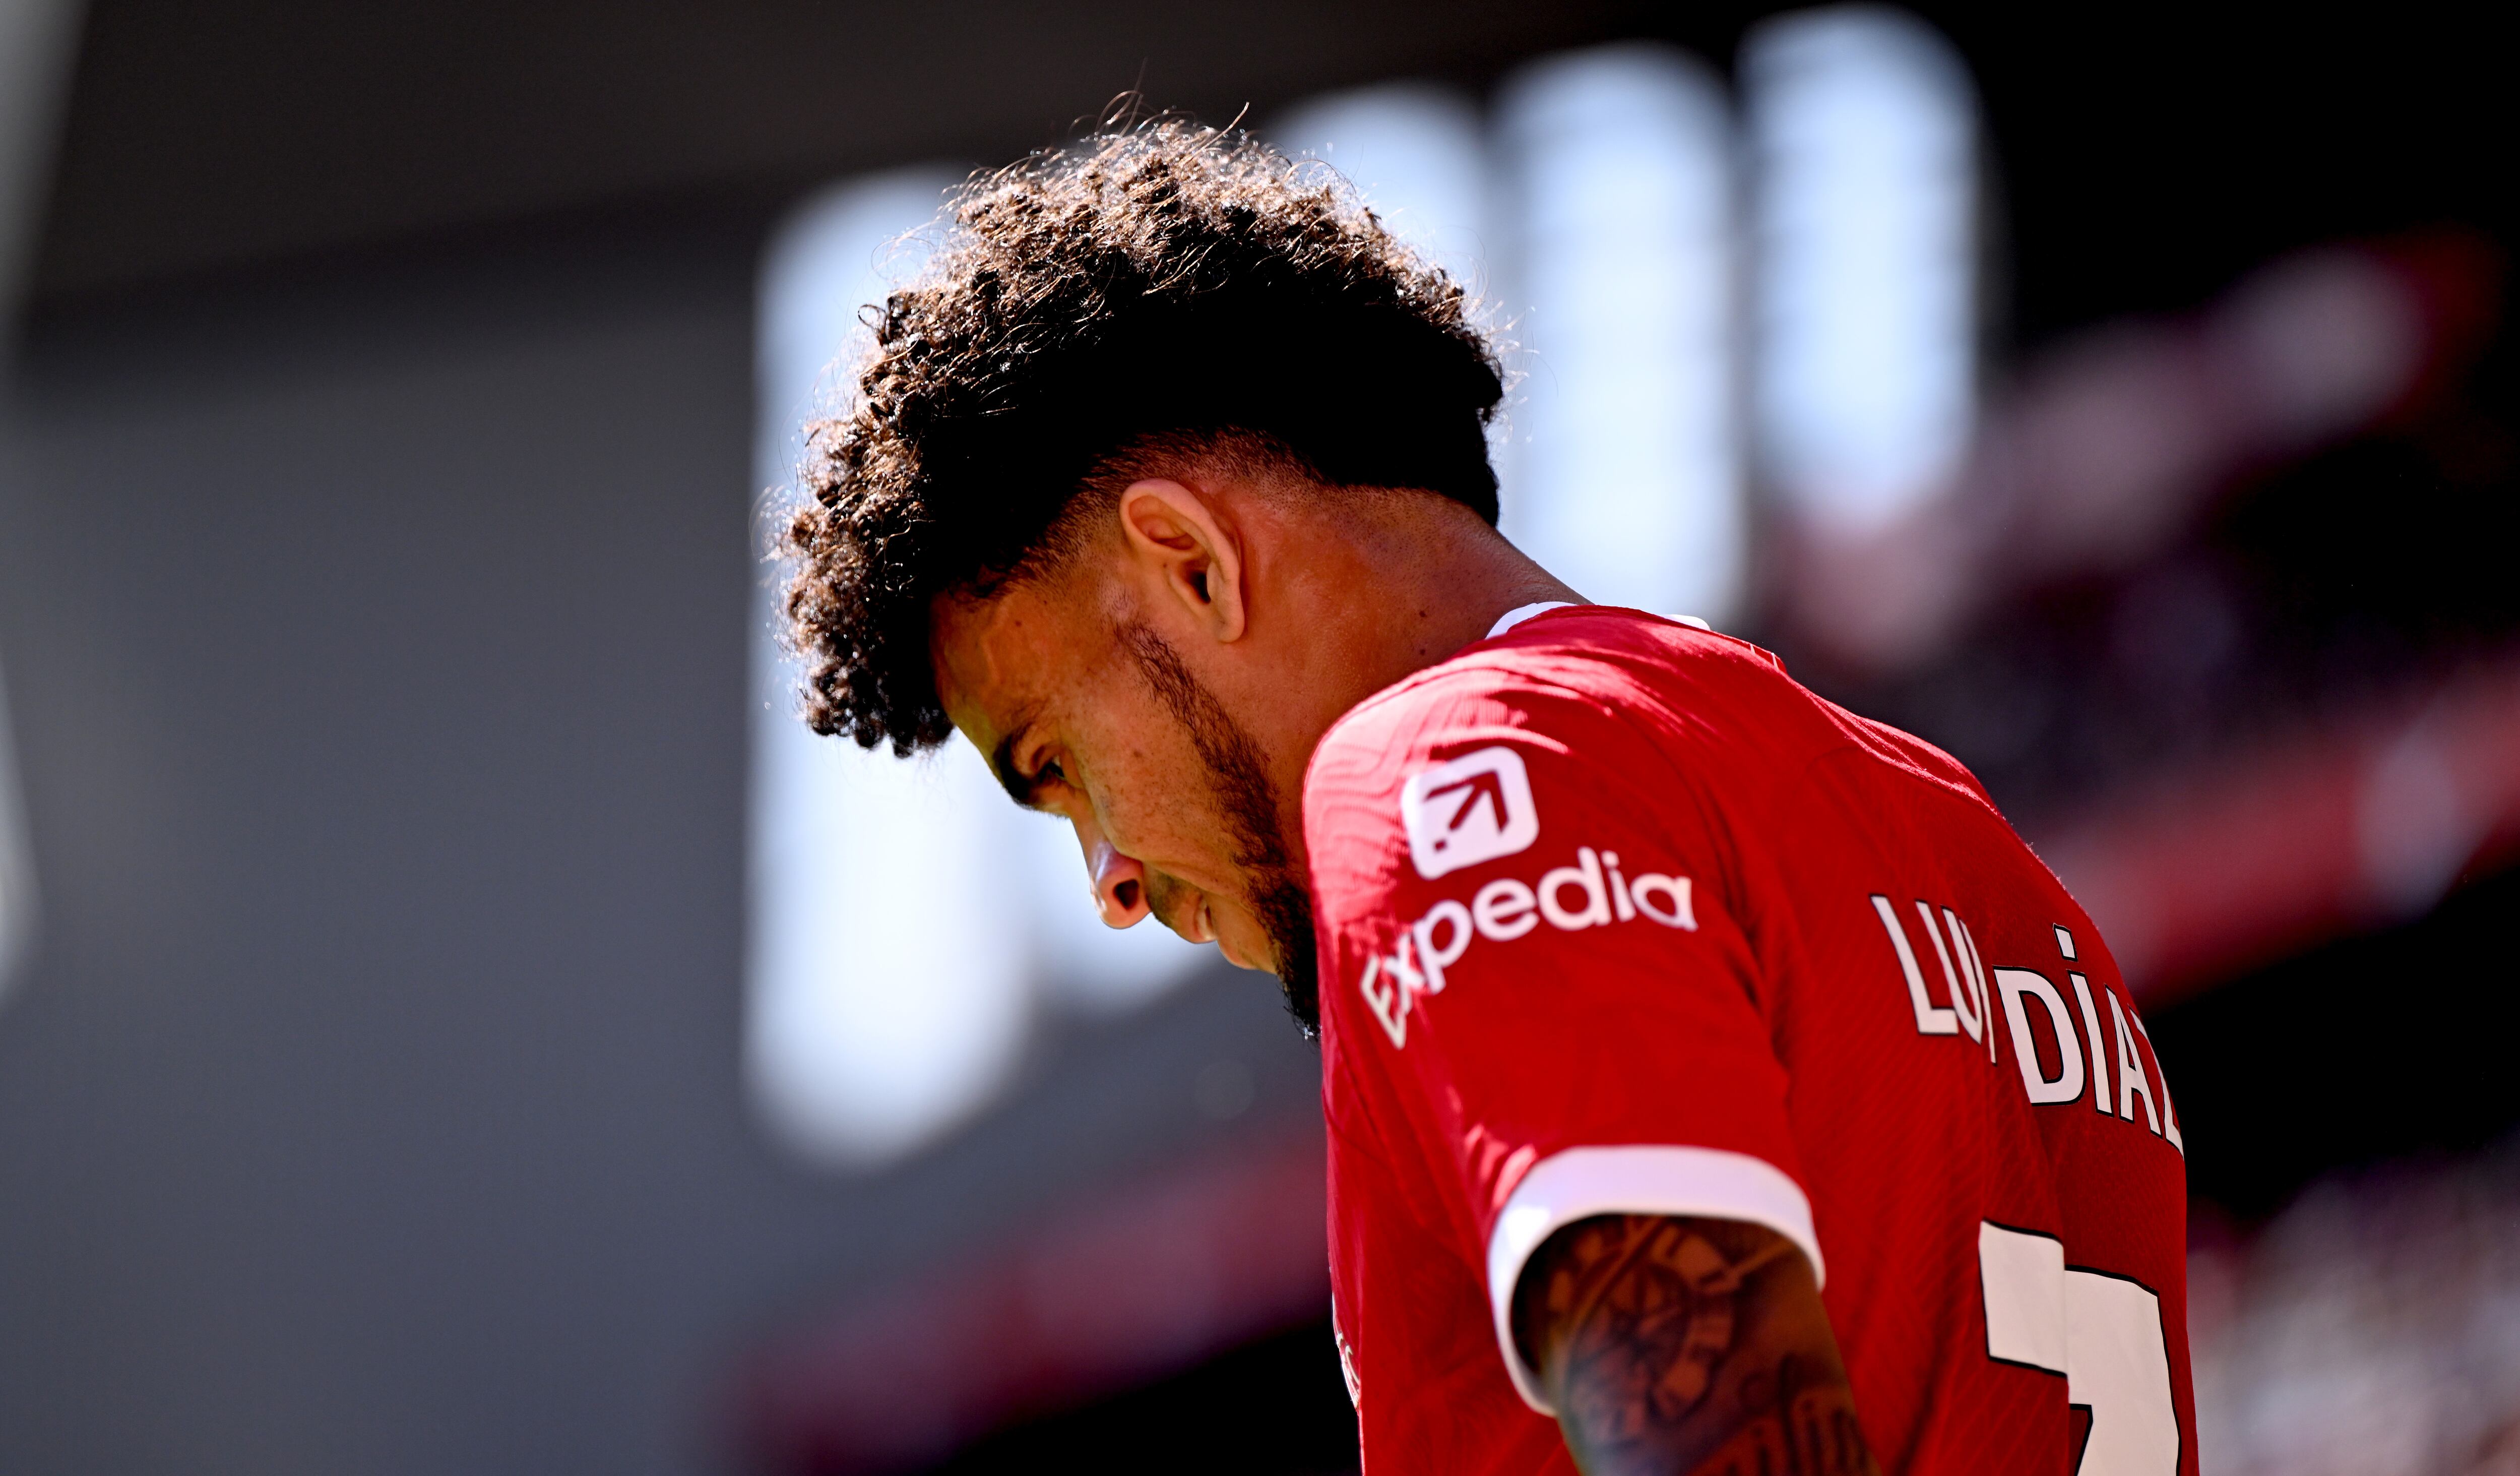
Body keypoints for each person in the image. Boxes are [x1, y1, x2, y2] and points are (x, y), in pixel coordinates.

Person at [781, 121, 2195, 1476]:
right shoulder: (1956, 833)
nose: (1113, 881)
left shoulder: (1455, 769)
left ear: (1191, 562)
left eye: (1055, 765)